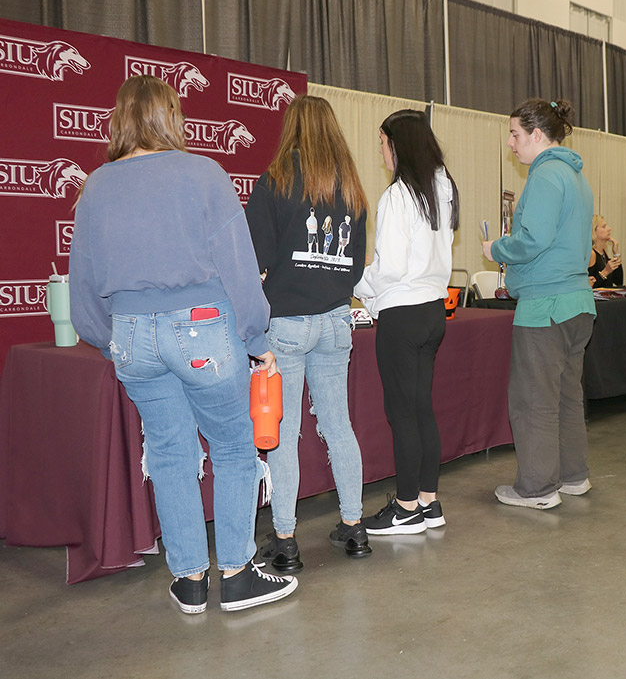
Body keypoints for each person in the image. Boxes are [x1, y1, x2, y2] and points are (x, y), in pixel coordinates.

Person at [69, 75, 297, 613]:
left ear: (118, 118)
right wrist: (257, 337)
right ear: (172, 116)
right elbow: (239, 268)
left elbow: (83, 285)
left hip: (132, 336)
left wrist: (108, 341)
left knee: (170, 453)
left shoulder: (96, 186)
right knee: (236, 447)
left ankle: (191, 580)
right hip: (204, 329)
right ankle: (237, 574)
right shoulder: (204, 175)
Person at [244, 94, 371, 569]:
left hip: (288, 324)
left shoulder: (275, 181)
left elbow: (257, 259)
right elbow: (355, 266)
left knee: (284, 430)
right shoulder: (353, 191)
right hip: (337, 320)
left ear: (291, 129)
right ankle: (355, 528)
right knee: (339, 425)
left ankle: (285, 540)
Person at [481, 98, 594, 510]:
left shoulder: (545, 176)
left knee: (534, 400)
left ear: (537, 135)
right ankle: (572, 475)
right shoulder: (575, 176)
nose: (510, 143)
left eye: (515, 134)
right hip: (576, 302)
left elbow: (533, 240)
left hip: (546, 306)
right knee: (566, 395)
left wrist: (497, 248)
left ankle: (537, 488)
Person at [355, 109, 458, 533]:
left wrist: (358, 286)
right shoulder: (443, 186)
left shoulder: (398, 195)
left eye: (382, 142)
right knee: (421, 409)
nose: (381, 151)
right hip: (434, 310)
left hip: (401, 313)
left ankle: (405, 507)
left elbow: (389, 267)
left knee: (403, 414)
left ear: (398, 143)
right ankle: (429, 503)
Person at [589, 215, 623, 288]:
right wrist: (605, 272)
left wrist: (616, 254)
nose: (609, 229)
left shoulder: (603, 253)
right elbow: (589, 287)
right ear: (593, 231)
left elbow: (618, 281)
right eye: (604, 227)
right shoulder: (592, 254)